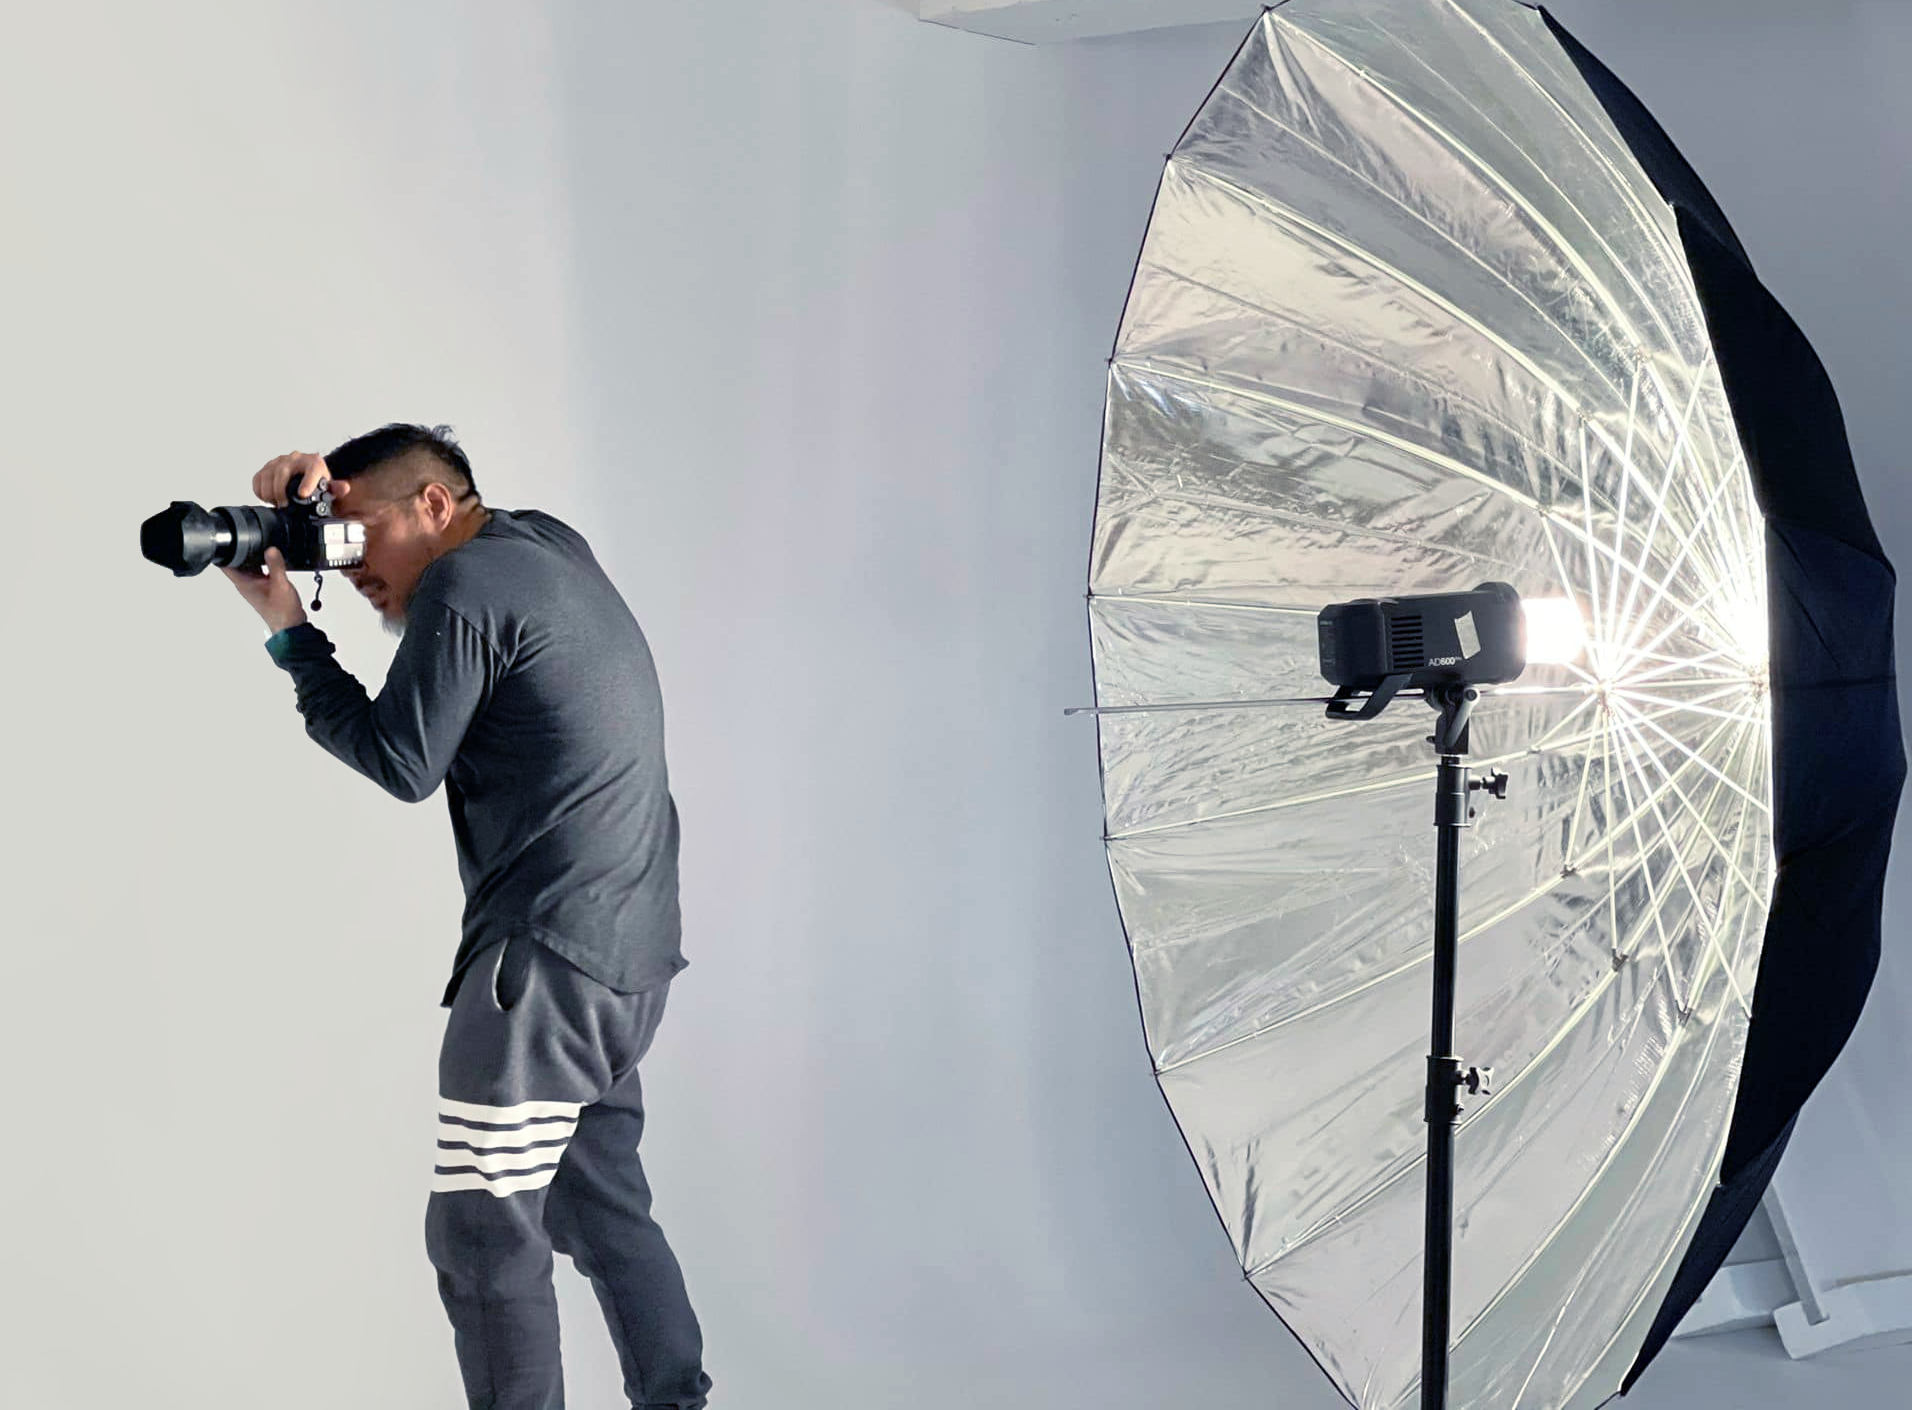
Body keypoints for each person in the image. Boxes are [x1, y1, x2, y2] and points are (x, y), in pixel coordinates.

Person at [221, 424, 712, 1410]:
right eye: (339, 545)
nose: (353, 565)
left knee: (484, 1235)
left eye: (360, 535)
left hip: (542, 966)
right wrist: (328, 505)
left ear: (436, 508)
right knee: (603, 1207)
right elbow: (419, 522)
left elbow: (402, 761)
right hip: (628, 959)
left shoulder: (465, 583)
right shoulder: (545, 545)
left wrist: (287, 626)